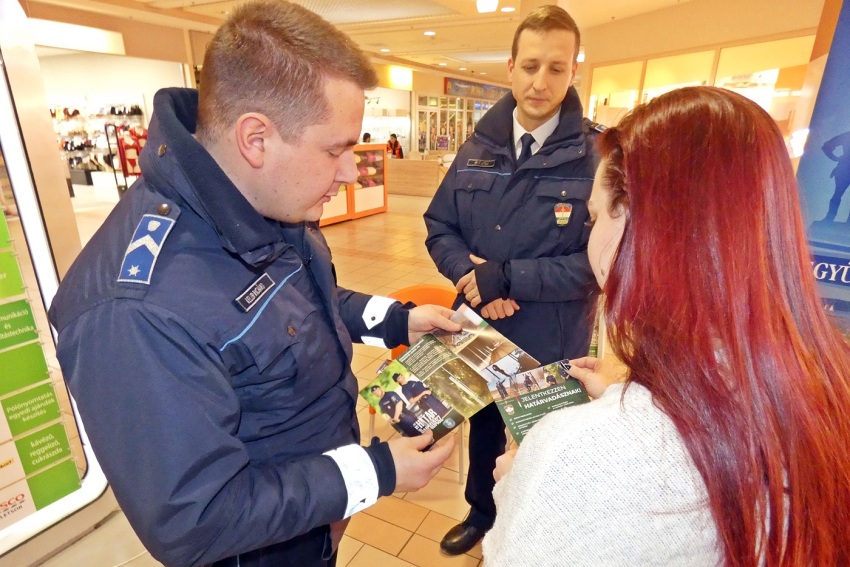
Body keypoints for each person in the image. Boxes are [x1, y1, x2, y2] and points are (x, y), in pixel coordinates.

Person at [46, 3, 459, 567]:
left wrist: (394, 319)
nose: (350, 171)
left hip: (312, 521)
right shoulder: (134, 312)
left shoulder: (263, 199)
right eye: (336, 149)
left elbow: (294, 303)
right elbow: (195, 518)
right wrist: (374, 472)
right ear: (256, 139)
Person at [483, 86, 850, 566]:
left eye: (594, 220)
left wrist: (520, 482)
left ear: (640, 226)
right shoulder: (830, 380)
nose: (590, 242)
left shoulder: (574, 455)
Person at [423, 5, 601, 554]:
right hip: (482, 328)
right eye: (529, 66)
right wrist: (474, 283)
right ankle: (482, 513)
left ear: (574, 71)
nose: (539, 81)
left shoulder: (598, 155)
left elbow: (599, 265)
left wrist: (509, 280)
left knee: (541, 435)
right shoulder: (479, 146)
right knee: (484, 425)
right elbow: (439, 226)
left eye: (555, 68)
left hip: (552, 332)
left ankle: (532, 533)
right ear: (509, 67)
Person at [821, 130, 850, 221]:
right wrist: (837, 159)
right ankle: (830, 217)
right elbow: (826, 147)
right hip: (844, 168)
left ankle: (830, 217)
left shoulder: (847, 135)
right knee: (837, 194)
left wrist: (837, 159)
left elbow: (826, 147)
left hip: (844, 168)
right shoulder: (847, 136)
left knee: (837, 194)